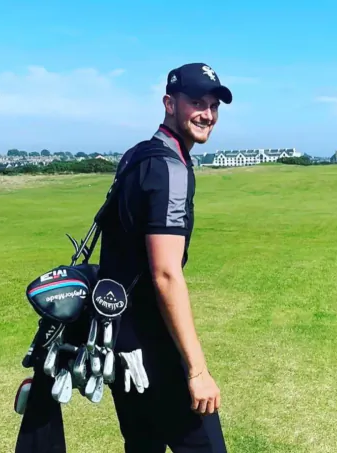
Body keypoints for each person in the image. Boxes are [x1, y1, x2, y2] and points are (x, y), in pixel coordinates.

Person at [97, 62, 233, 453]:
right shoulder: (169, 167)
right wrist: (197, 371)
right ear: (169, 103)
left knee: (142, 445)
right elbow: (166, 275)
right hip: (151, 343)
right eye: (196, 103)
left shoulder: (137, 155)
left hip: (118, 339)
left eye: (214, 105)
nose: (207, 114)